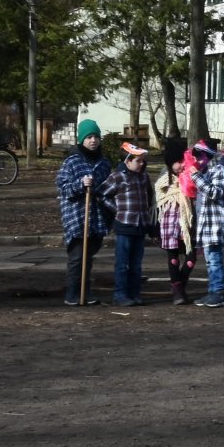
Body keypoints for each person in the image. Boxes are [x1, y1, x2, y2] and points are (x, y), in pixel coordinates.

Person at [58, 119, 112, 306]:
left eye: (96, 136)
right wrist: (80, 184)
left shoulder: (104, 163)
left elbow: (108, 187)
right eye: (89, 137)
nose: (93, 140)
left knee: (88, 256)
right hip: (77, 216)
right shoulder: (71, 162)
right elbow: (63, 188)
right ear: (81, 140)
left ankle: (85, 290)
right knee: (77, 256)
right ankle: (72, 293)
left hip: (97, 217)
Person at [100, 141, 154, 306]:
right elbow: (102, 195)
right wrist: (117, 209)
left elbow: (149, 195)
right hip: (124, 225)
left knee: (136, 264)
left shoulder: (144, 177)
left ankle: (135, 293)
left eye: (142, 160)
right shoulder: (117, 177)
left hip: (140, 225)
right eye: (138, 161)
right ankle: (120, 295)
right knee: (122, 264)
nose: (141, 163)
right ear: (127, 161)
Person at [191, 139, 224, 307]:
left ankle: (219, 292)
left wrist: (196, 176)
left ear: (208, 155)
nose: (197, 160)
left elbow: (214, 192)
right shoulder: (206, 171)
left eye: (200, 157)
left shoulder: (219, 170)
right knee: (210, 260)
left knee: (214, 259)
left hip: (216, 222)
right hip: (207, 224)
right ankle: (212, 291)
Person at [156, 140, 196, 304]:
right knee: (173, 257)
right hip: (170, 221)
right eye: (178, 161)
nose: (182, 165)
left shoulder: (190, 175)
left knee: (191, 258)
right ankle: (178, 291)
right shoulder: (164, 179)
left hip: (188, 221)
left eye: (183, 160)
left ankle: (179, 286)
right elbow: (158, 198)